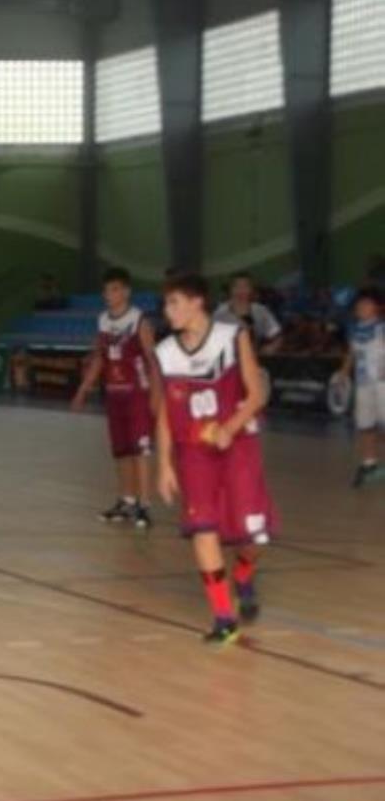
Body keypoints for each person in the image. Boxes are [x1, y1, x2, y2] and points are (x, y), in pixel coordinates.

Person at [155, 272, 278, 644]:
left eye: (173, 302)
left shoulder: (232, 336)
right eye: (166, 303)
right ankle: (224, 618)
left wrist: (229, 427)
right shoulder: (166, 352)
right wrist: (163, 463)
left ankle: (243, 571)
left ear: (196, 302)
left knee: (255, 537)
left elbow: (257, 393)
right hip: (194, 451)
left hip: (238, 445)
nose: (167, 311)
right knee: (202, 527)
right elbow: (164, 411)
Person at [71, 267, 160, 529]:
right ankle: (126, 501)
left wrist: (156, 395)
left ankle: (144, 505)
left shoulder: (140, 321)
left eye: (114, 289)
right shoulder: (102, 321)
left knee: (140, 451)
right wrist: (84, 388)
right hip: (114, 395)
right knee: (121, 451)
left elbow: (154, 361)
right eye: (106, 290)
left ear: (126, 291)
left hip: (138, 395)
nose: (108, 295)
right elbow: (100, 356)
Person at [334, 287, 385, 488]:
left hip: (382, 384)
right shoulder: (355, 329)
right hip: (363, 384)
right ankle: (369, 464)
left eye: (366, 303)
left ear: (377, 307)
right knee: (365, 426)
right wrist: (343, 373)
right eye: (359, 305)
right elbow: (352, 354)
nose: (361, 307)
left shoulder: (382, 327)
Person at [215, 273, 282, 355]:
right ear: (230, 289)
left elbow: (277, 336)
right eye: (237, 287)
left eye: (245, 286)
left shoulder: (260, 311)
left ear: (251, 289)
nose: (241, 290)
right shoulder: (220, 314)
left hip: (255, 359)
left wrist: (271, 347)